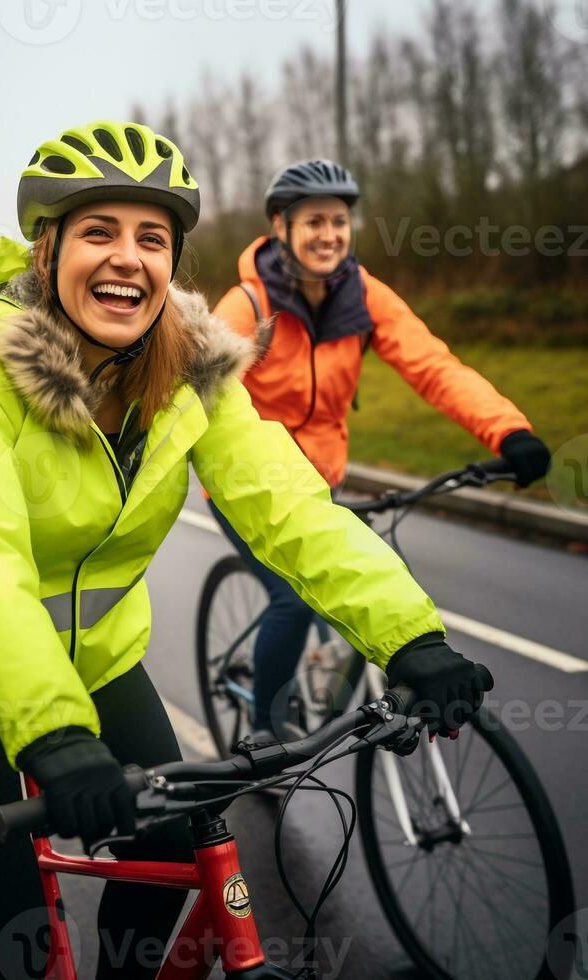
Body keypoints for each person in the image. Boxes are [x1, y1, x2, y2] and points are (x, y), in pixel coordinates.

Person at [0, 122, 492, 979]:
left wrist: (409, 637)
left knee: (171, 857)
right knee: (14, 951)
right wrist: (52, 732)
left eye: (151, 239)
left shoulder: (194, 371)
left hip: (99, 664)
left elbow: (289, 508)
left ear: (171, 263)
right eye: (99, 233)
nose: (127, 258)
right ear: (46, 250)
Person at [211, 159, 550, 739]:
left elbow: (433, 366)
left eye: (339, 221)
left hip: (325, 479)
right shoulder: (246, 305)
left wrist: (508, 431)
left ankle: (324, 682)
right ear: (279, 226)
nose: (329, 234)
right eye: (313, 221)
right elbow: (207, 397)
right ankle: (263, 732)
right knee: (294, 599)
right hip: (255, 488)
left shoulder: (364, 296)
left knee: (363, 584)